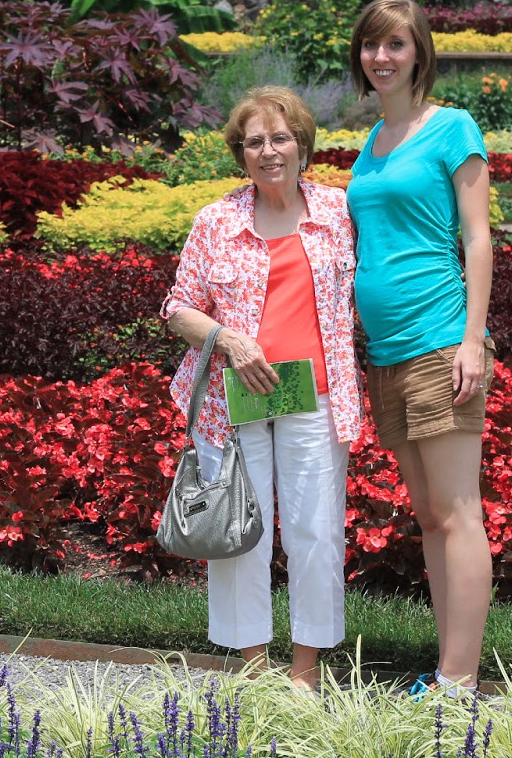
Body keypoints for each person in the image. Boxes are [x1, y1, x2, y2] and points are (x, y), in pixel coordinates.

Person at [160, 86, 361, 691]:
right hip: (234, 401)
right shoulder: (216, 220)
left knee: (316, 531)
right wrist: (228, 340)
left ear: (302, 145)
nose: (268, 151)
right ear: (240, 153)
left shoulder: (340, 212)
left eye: (280, 138)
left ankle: (305, 672)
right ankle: (251, 668)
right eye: (254, 142)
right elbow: (177, 308)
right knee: (239, 528)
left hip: (316, 395)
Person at [345, 0, 494, 701]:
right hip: (388, 353)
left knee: (459, 511)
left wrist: (472, 341)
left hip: (440, 341)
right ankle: (446, 665)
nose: (382, 57)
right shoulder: (372, 142)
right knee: (431, 515)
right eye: (372, 46)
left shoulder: (452, 127)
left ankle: (459, 681)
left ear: (419, 53)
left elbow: (478, 239)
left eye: (396, 45)